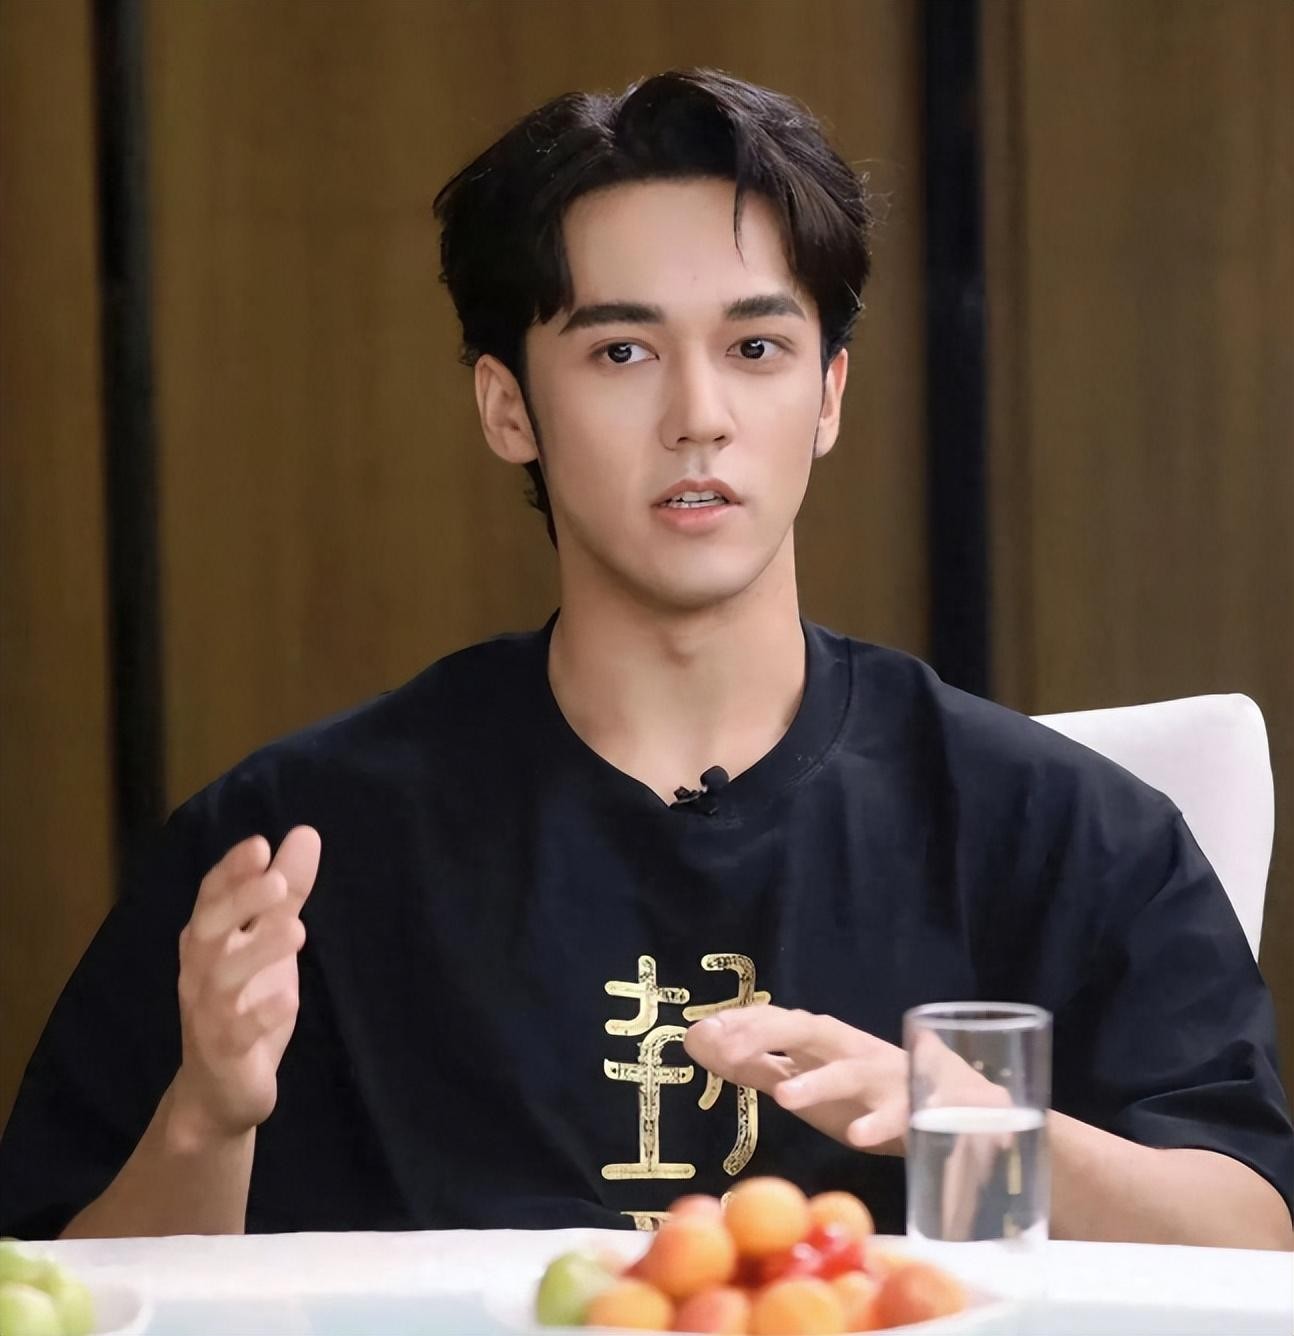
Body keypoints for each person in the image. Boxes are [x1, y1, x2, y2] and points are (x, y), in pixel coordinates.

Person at [1, 69, 1290, 1249]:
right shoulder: (300, 848)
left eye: (756, 349)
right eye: (622, 352)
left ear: (829, 396)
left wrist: (970, 1124)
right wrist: (210, 1118)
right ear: (509, 407)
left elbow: (1257, 1242)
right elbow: (54, 1287)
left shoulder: (1063, 830)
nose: (698, 418)